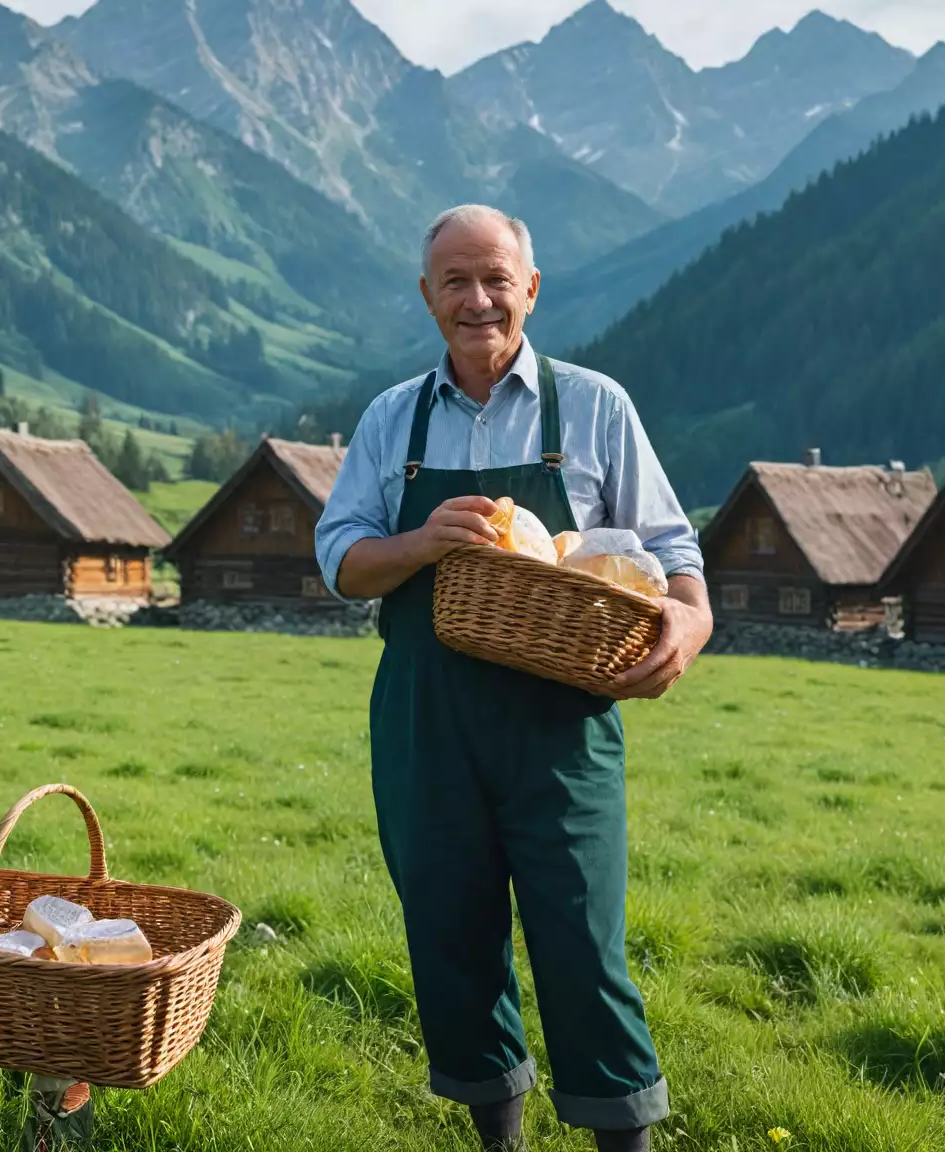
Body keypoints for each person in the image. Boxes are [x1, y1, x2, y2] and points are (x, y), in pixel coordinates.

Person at [315, 205, 713, 1151]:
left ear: (531, 289)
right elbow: (339, 559)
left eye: (496, 278)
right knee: (450, 936)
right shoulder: (390, 419)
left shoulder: (597, 405)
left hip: (561, 719)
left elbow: (670, 547)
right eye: (455, 281)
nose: (478, 299)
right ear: (427, 297)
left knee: (583, 941)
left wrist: (690, 622)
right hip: (424, 716)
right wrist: (415, 544)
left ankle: (624, 1137)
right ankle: (501, 1139)